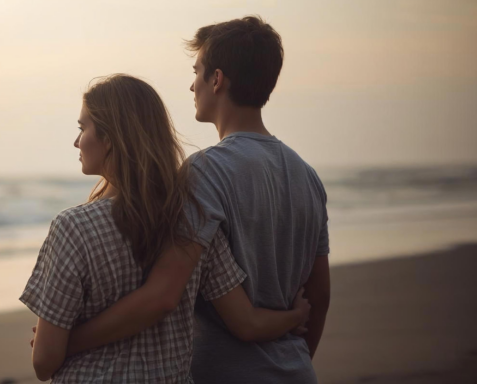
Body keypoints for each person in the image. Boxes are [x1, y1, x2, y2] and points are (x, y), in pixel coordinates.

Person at [61, 17, 331, 384]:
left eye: (197, 71)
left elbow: (162, 295)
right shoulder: (307, 176)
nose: (192, 84)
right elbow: (320, 295)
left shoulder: (205, 173)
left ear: (216, 79)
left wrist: (68, 342)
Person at [20, 74, 311, 382]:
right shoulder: (191, 222)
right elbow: (247, 323)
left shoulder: (73, 228)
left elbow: (43, 362)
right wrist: (294, 316)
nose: (77, 141)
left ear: (110, 138)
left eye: (83, 128)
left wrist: (56, 343)